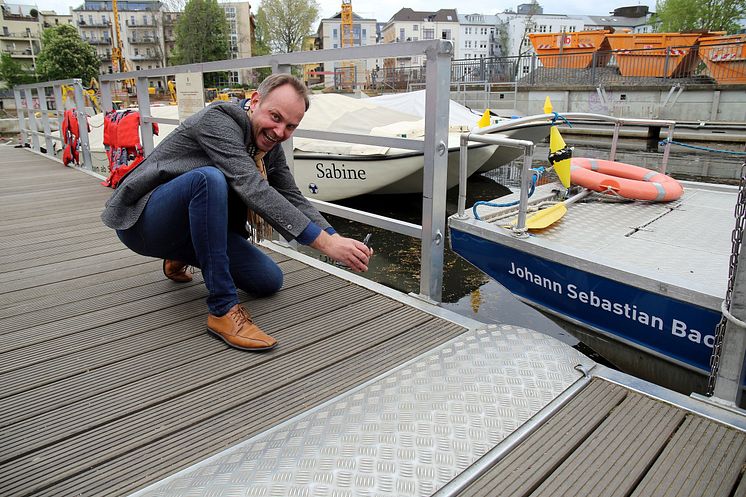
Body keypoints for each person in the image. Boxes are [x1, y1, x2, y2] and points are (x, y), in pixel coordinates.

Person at [101, 74, 372, 352]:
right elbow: (251, 186)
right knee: (207, 180)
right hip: (142, 222)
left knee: (268, 281)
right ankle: (223, 310)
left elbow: (290, 196)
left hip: (185, 229)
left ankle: (181, 253)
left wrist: (335, 237)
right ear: (255, 101)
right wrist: (323, 243)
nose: (280, 132)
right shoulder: (218, 120)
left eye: (291, 126)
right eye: (275, 117)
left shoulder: (268, 147)